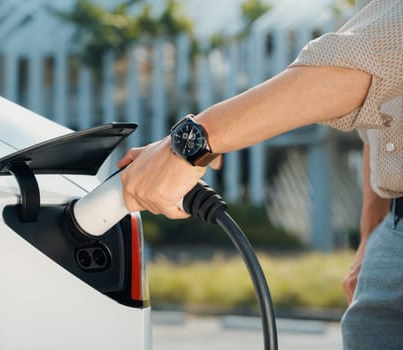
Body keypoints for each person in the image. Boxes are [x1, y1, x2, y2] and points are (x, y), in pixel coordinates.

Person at [117, 0, 402, 349]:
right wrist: (371, 236)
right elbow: (384, 110)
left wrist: (193, 144)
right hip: (392, 237)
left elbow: (377, 57)